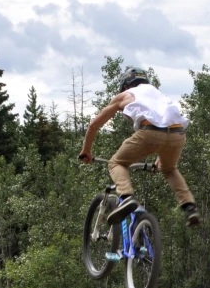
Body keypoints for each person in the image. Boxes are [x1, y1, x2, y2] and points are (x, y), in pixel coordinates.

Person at [79, 67, 201, 227]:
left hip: (150, 133)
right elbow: (167, 123)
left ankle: (127, 197)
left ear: (126, 86)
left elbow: (94, 125)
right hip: (178, 134)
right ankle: (190, 207)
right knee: (169, 169)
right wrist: (161, 156)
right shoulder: (159, 95)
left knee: (116, 163)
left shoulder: (126, 94)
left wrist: (86, 150)